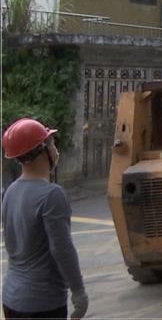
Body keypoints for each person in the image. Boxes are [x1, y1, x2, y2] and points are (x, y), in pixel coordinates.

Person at [1, 118, 89, 320]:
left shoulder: (10, 191)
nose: (54, 148)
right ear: (42, 151)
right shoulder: (51, 195)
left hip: (11, 297)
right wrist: (78, 291)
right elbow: (62, 249)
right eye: (50, 143)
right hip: (42, 303)